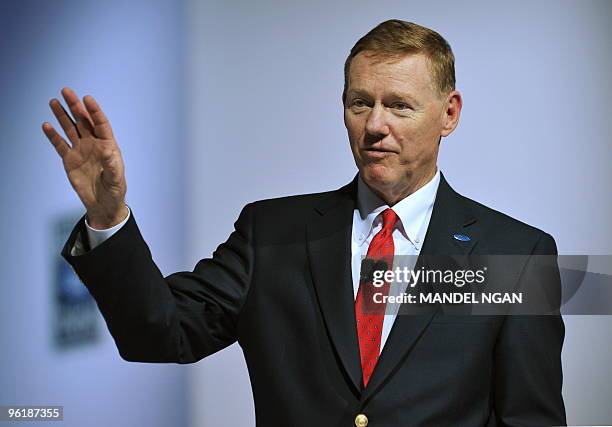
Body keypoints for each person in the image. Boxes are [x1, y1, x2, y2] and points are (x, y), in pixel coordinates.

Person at [43, 20, 566, 427]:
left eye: (399, 106)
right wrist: (107, 215)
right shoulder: (271, 234)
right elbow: (159, 336)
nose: (375, 125)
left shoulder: (516, 256)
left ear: (449, 114)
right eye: (361, 103)